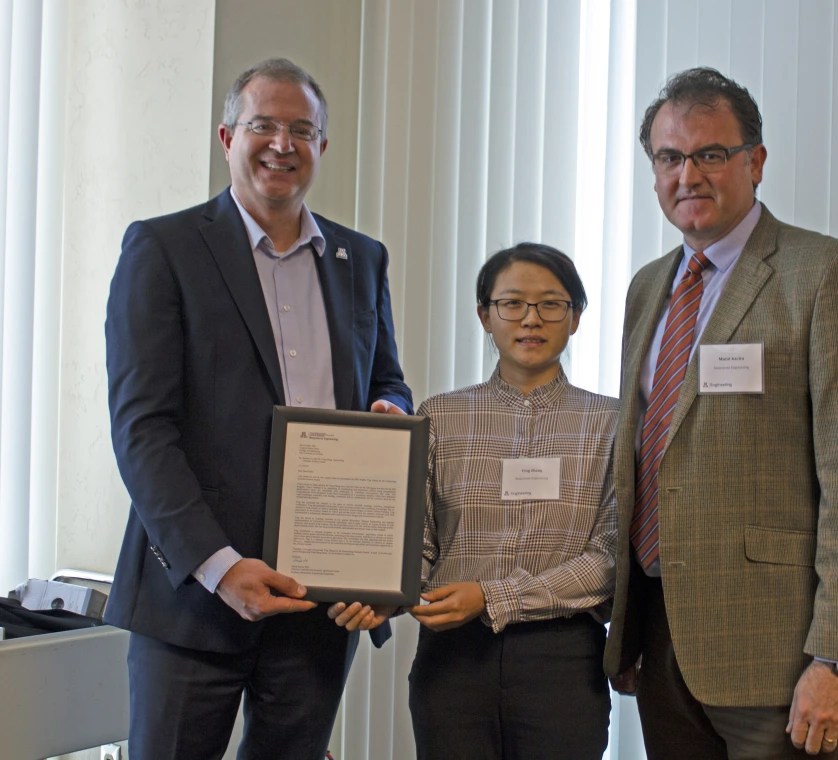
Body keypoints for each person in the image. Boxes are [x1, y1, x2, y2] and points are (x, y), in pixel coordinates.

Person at [104, 57, 412, 759]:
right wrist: (217, 565)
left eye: (302, 129)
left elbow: (387, 379)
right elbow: (142, 429)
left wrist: (390, 412)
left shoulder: (359, 258)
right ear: (226, 137)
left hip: (320, 597)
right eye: (263, 125)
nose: (283, 143)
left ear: (323, 148)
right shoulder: (163, 248)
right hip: (193, 597)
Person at [603, 67, 838, 759]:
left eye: (711, 154)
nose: (690, 175)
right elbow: (649, 461)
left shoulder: (826, 274)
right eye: (670, 157)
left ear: (755, 162)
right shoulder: (648, 288)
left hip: (783, 657)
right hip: (662, 642)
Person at [332, 243, 617, 759]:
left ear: (575, 318)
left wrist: (491, 596)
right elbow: (417, 545)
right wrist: (384, 593)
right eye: (512, 303)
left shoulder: (613, 424)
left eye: (551, 304)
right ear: (485, 315)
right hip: (453, 663)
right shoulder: (438, 417)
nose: (531, 319)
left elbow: (609, 559)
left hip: (565, 661)